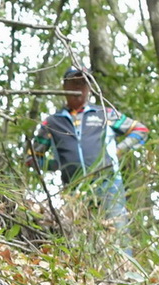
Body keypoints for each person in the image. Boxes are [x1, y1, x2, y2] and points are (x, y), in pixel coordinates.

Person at [30, 67, 147, 220]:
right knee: (79, 237)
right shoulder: (52, 122)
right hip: (73, 189)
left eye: (83, 83)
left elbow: (140, 130)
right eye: (74, 83)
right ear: (65, 87)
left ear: (90, 88)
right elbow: (32, 158)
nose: (79, 87)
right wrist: (58, 165)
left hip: (108, 184)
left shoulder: (104, 113)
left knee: (117, 234)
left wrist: (118, 150)